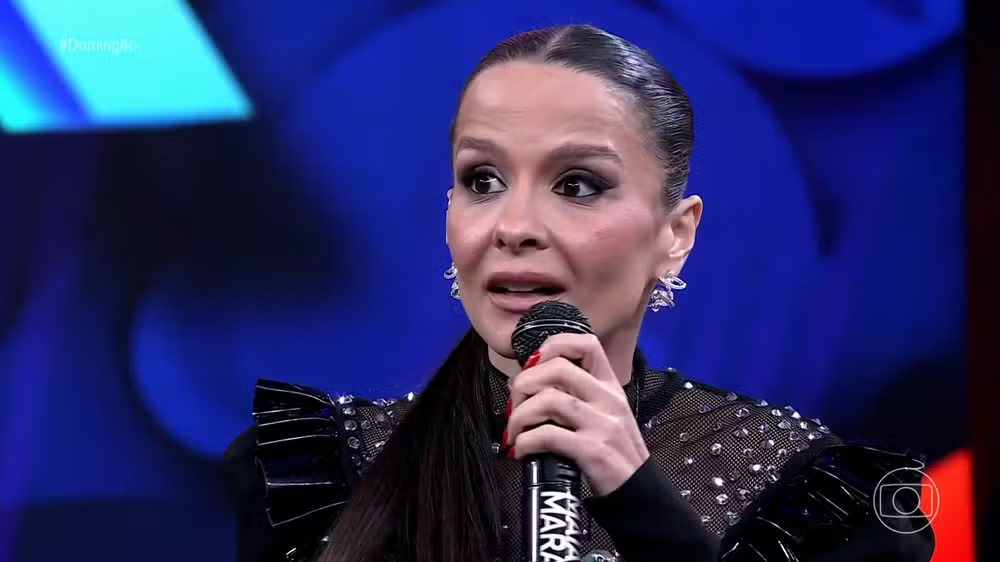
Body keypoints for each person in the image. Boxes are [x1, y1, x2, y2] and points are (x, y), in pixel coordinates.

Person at [223, 24, 935, 562]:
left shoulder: (801, 487)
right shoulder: (324, 469)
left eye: (578, 185)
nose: (514, 227)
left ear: (674, 235)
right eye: (482, 181)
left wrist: (637, 497)